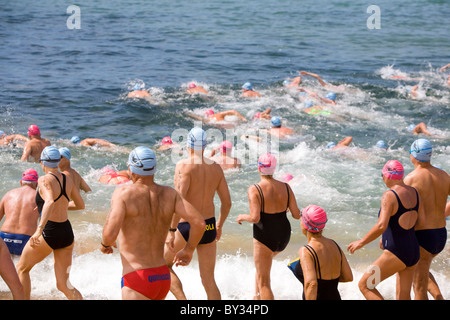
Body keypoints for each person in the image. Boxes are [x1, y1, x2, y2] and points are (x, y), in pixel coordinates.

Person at [100, 146, 205, 300]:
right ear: (154, 168)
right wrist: (189, 250)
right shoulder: (170, 193)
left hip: (137, 279)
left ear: (131, 169)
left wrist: (104, 244)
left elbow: (110, 235)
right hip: (162, 277)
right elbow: (199, 223)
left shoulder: (123, 194)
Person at [165, 127, 232, 300]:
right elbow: (227, 203)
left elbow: (178, 202)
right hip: (209, 225)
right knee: (209, 280)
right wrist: (219, 225)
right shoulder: (216, 168)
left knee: (163, 266)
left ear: (188, 145)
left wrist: (171, 231)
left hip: (186, 225)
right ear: (204, 146)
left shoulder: (184, 166)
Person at [16, 146, 85, 300]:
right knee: (64, 284)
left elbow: (49, 201)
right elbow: (80, 204)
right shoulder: (66, 178)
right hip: (66, 233)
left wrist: (39, 230)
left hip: (49, 231)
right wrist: (60, 206)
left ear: (43, 163)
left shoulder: (44, 179)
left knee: (22, 269)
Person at [347, 160, 422, 300]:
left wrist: (361, 242)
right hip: (413, 251)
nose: (382, 178)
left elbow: (381, 225)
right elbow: (418, 220)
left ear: (388, 175)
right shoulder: (414, 192)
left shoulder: (389, 195)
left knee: (365, 285)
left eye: (382, 175)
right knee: (403, 296)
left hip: (396, 252)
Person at [237, 153, 301, 300]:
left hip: (265, 235)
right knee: (261, 270)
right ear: (273, 169)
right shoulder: (286, 187)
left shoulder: (254, 189)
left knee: (264, 282)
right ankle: (256, 298)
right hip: (283, 236)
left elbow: (255, 218)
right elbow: (297, 215)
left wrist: (242, 217)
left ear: (259, 168)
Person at [404, 139, 450, 300]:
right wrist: (442, 214)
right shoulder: (444, 175)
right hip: (440, 234)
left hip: (423, 236)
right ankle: (439, 297)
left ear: (414, 155)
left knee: (418, 287)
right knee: (421, 271)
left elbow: (401, 210)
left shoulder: (411, 178)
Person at [288, 204, 353, 300]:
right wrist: (328, 283)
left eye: (301, 220)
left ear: (305, 224)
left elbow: (312, 284)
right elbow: (348, 276)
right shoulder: (334, 245)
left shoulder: (306, 251)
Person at [0, 169, 40, 256]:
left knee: (5, 268)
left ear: (21, 182)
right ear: (36, 184)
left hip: (4, 237)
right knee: (23, 268)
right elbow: (46, 221)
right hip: (25, 239)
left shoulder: (8, 194)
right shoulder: (39, 197)